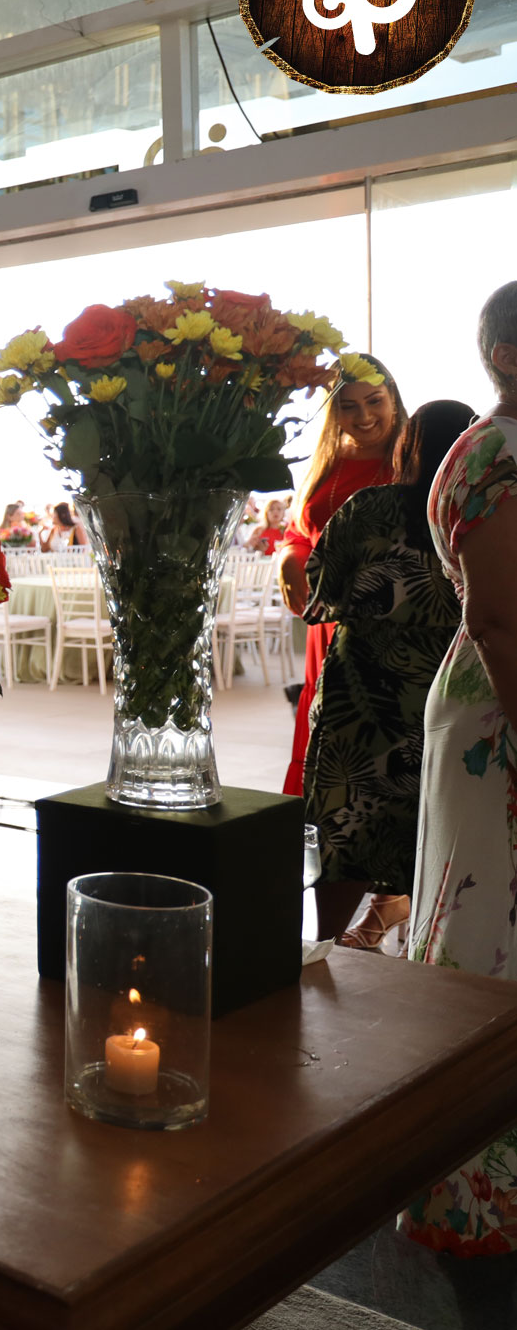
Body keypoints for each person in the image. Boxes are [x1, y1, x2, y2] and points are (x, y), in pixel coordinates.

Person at [402, 284, 517, 1265]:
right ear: (505, 355)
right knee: (486, 935)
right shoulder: (497, 455)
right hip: (501, 715)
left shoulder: (486, 447)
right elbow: (500, 619)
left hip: (485, 706)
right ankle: (474, 1193)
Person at [299, 401, 470, 950]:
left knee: (347, 816)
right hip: (444, 685)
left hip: (361, 691)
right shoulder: (473, 512)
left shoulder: (368, 506)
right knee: (432, 813)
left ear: (408, 447)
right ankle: (426, 941)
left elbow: (322, 588)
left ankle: (326, 941)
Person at [283, 354, 408, 798]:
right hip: (325, 624)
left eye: (374, 401)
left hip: (386, 628)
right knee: (322, 725)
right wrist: (289, 558)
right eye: (348, 406)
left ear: (393, 399)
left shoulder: (411, 460)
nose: (364, 416)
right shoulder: (326, 461)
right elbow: (300, 531)